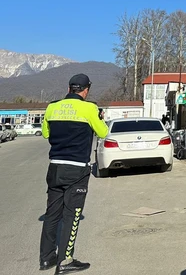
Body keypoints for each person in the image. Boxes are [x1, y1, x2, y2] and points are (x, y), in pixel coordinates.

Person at [39, 74, 109, 274]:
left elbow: (45, 134)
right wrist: (99, 118)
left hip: (55, 167)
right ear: (86, 90)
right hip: (77, 169)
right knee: (72, 214)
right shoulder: (89, 108)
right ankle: (65, 261)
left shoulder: (52, 107)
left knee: (52, 214)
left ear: (69, 88)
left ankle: (47, 259)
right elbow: (103, 133)